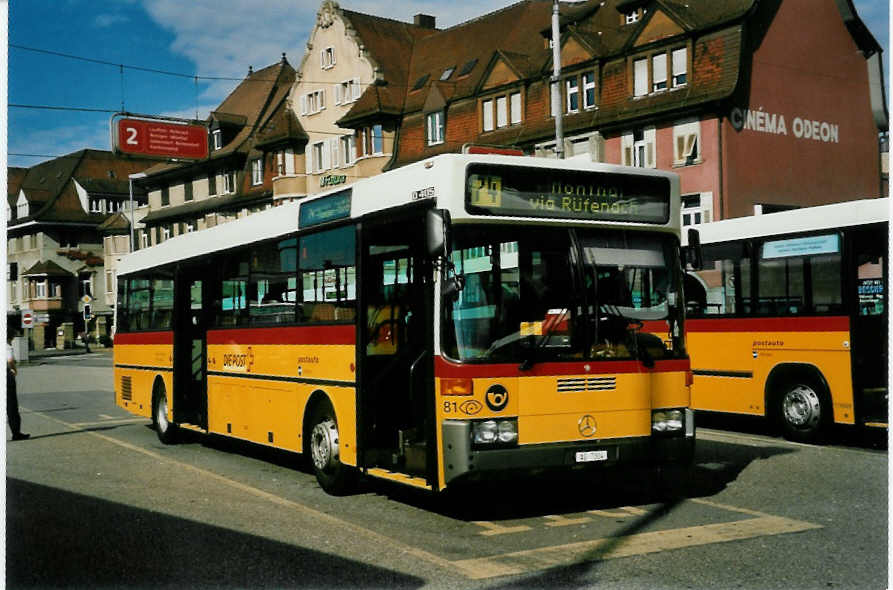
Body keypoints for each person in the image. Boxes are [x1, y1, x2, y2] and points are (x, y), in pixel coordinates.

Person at [7, 333, 29, 441]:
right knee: (11, 405)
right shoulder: (6, 346)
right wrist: (14, 370)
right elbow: (10, 360)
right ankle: (16, 433)